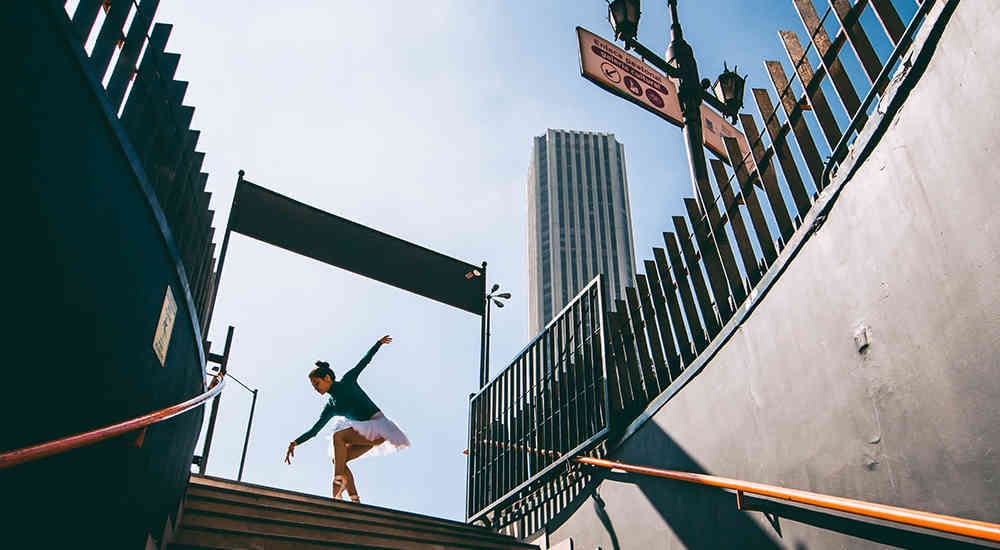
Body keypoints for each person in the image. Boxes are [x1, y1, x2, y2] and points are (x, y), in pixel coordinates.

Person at [284, 334, 409, 502]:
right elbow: (315, 430)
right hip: (369, 436)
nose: (315, 389)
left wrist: (378, 344)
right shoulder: (331, 406)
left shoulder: (348, 381)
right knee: (339, 460)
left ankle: (336, 485)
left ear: (327, 378)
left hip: (379, 426)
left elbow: (364, 362)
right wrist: (295, 442)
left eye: (317, 384)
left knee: (339, 436)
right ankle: (354, 498)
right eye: (313, 386)